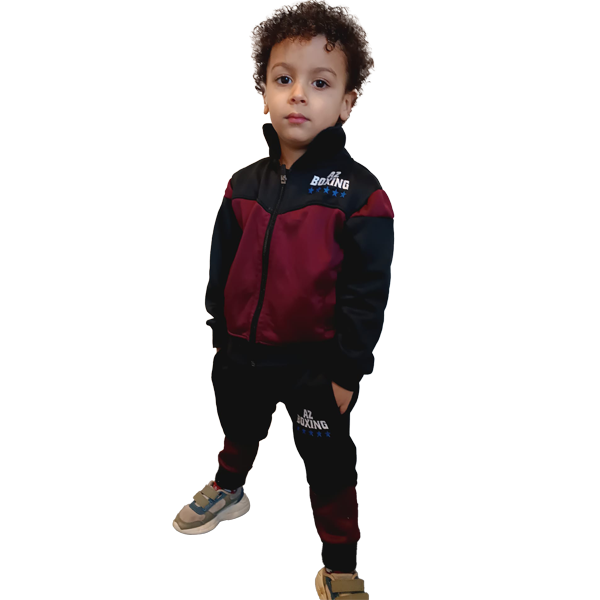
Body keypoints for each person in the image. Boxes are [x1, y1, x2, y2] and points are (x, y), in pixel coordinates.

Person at [173, 2, 394, 598]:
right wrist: (220, 331)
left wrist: (346, 370)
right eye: (283, 78)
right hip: (241, 353)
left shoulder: (361, 195)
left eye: (320, 83)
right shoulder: (242, 185)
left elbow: (367, 293)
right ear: (264, 94)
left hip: (314, 366)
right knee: (239, 425)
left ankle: (340, 565)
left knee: (328, 463)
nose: (299, 93)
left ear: (346, 102)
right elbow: (221, 265)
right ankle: (229, 487)